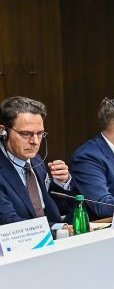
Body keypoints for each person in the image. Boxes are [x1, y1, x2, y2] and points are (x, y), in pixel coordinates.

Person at [0, 96, 74, 227]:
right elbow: (9, 222)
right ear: (3, 132)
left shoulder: (35, 159)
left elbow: (55, 210)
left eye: (40, 133)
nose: (35, 141)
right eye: (26, 134)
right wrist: (59, 229)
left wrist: (61, 183)